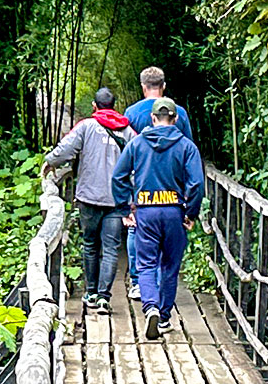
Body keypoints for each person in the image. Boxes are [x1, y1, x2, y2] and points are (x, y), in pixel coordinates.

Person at [112, 96, 204, 340]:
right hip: (174, 211)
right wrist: (191, 212)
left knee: (146, 263)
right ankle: (163, 317)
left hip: (146, 210)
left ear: (152, 118)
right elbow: (196, 183)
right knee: (170, 267)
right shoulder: (186, 146)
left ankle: (150, 305)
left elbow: (118, 176)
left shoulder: (137, 144)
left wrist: (124, 208)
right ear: (175, 119)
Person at [44, 88, 137, 312]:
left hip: (88, 197)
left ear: (95, 106)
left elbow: (65, 150)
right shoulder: (128, 131)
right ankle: (105, 297)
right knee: (111, 248)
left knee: (90, 245)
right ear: (114, 106)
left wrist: (49, 161)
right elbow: (138, 163)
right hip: (116, 200)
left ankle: (91, 293)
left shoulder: (86, 126)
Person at [122, 66, 193, 140]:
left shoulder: (131, 113)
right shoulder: (179, 111)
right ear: (164, 86)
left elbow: (126, 143)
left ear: (143, 87)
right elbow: (188, 142)